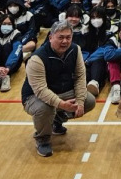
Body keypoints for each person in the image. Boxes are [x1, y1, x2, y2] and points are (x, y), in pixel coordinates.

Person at [22, 21, 96, 157]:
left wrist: (80, 101)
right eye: (60, 37)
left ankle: (57, 120)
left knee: (89, 100)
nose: (65, 41)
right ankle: (42, 139)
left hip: (63, 92)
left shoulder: (76, 50)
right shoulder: (37, 58)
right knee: (45, 108)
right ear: (50, 37)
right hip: (34, 96)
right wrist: (61, 104)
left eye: (68, 37)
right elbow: (41, 90)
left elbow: (80, 76)